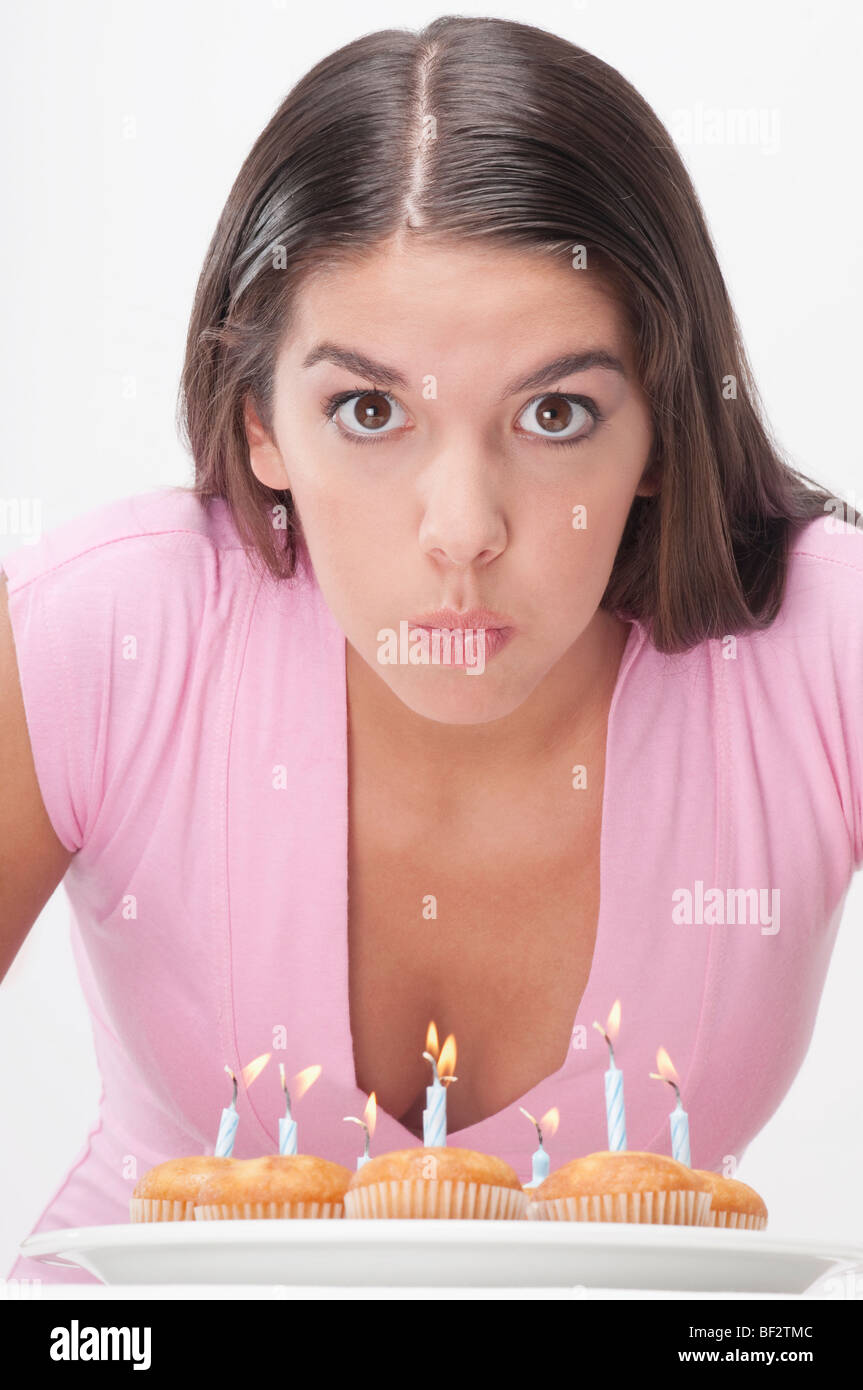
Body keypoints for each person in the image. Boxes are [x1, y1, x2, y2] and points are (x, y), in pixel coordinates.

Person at [2, 15, 861, 1284]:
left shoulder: (821, 651)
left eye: (556, 411)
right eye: (367, 410)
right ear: (259, 427)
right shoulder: (99, 634)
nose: (462, 532)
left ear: (664, 432)